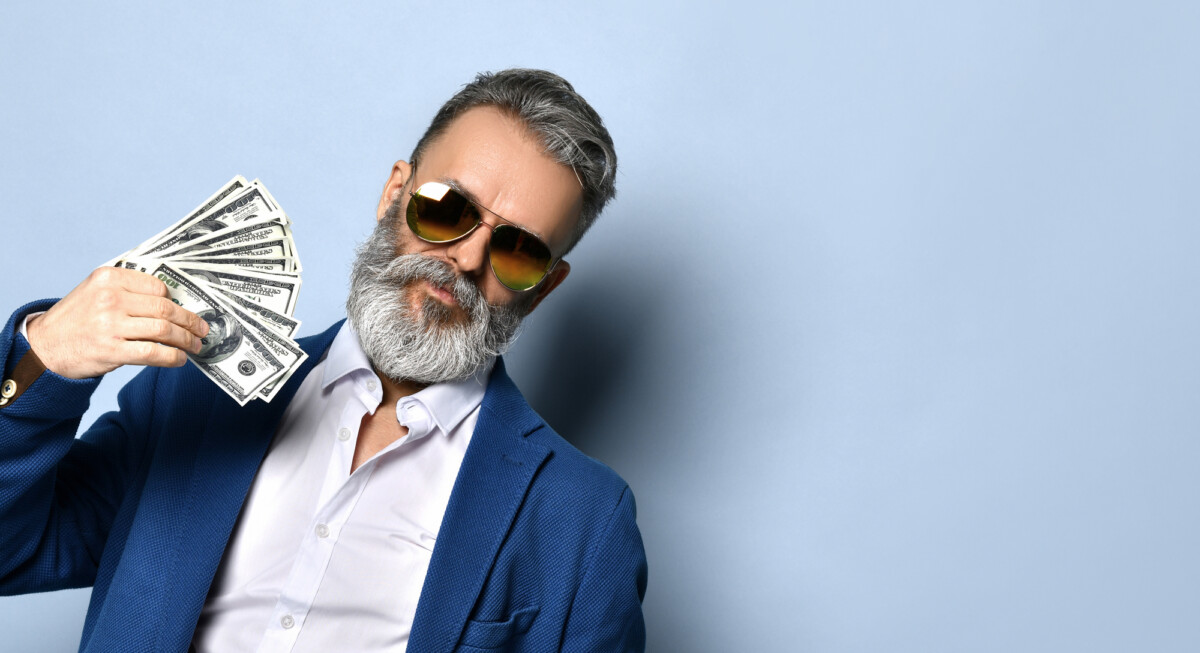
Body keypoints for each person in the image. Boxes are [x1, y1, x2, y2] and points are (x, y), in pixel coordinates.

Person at [0, 69, 647, 653]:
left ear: (545, 287)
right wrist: (43, 362)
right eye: (448, 209)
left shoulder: (582, 522)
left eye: (518, 251)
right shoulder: (196, 396)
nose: (468, 260)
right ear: (396, 192)